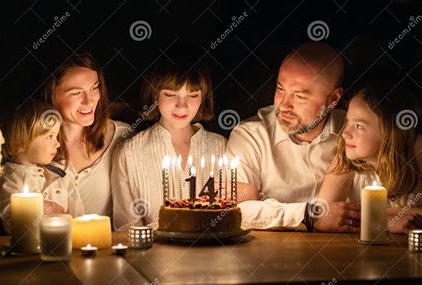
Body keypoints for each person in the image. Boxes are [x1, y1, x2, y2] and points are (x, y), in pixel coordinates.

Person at [226, 41, 360, 232]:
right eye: (280, 89)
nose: (284, 105)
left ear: (333, 99)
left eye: (300, 96)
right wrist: (310, 215)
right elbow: (235, 209)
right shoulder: (251, 135)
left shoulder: (353, 135)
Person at [111, 54, 226, 230]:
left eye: (192, 95)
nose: (182, 106)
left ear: (203, 97)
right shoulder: (129, 153)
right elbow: (127, 229)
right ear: (155, 95)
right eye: (171, 94)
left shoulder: (221, 147)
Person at [319, 82, 422, 234]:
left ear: (389, 133)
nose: (345, 133)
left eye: (359, 126)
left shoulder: (417, 149)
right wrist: (384, 222)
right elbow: (327, 215)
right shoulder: (345, 154)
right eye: (347, 122)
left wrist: (366, 215)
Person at [44, 52, 130, 216]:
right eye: (76, 93)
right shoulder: (30, 145)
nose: (89, 101)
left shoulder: (124, 138)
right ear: (51, 94)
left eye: (94, 88)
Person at [0, 100, 84, 231]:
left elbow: (78, 217)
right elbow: (10, 219)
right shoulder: (9, 178)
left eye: (56, 136)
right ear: (21, 142)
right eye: (50, 137)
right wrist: (40, 207)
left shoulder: (62, 174)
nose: (58, 144)